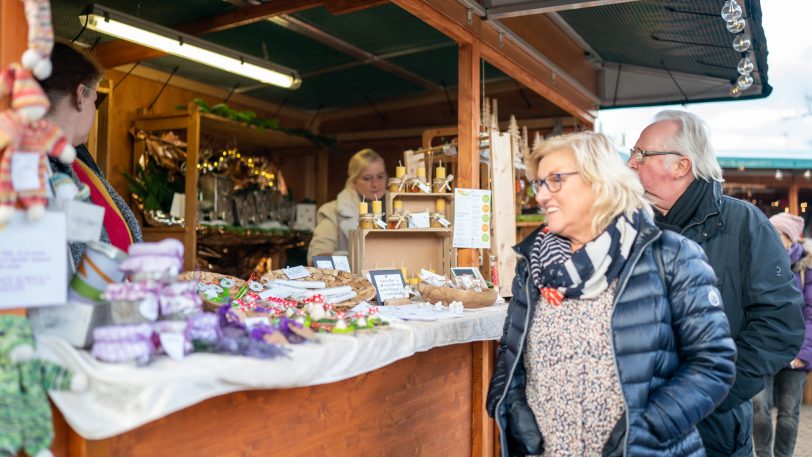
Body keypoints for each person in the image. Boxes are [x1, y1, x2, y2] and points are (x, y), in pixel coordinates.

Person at [486, 131, 736, 456]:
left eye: (556, 180)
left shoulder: (670, 255)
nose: (543, 196)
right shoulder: (533, 266)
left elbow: (713, 362)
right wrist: (517, 419)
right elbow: (511, 354)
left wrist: (646, 430)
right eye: (540, 184)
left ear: (598, 181)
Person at [629, 110, 805, 457]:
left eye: (641, 153)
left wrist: (710, 391)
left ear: (681, 165)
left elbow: (779, 326)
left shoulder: (745, 223)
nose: (631, 163)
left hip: (713, 431)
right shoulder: (631, 227)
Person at [40, 41, 142, 266]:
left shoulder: (74, 160)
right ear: (80, 95)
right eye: (94, 101)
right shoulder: (36, 164)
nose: (94, 111)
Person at [752, 212, 812, 457]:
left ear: (789, 238)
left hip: (796, 352)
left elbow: (811, 315)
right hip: (763, 351)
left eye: (776, 233)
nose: (771, 238)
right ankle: (763, 454)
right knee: (759, 407)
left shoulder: (806, 270)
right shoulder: (758, 263)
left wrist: (803, 354)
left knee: (788, 414)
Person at [308, 148, 386, 263]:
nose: (375, 184)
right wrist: (350, 260)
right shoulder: (332, 211)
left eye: (380, 176)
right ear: (353, 181)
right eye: (367, 178)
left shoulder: (403, 208)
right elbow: (317, 258)